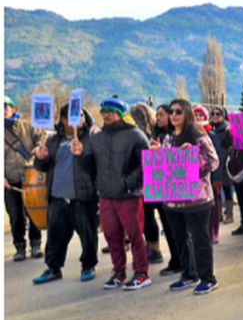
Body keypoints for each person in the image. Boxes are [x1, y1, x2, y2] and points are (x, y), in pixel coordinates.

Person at [151, 99, 220, 295]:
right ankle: (189, 274)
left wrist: (194, 159)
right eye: (171, 111)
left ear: (186, 113)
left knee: (200, 239)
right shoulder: (169, 138)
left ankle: (208, 278)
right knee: (180, 238)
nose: (173, 115)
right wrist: (157, 154)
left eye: (178, 111)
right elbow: (166, 165)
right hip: (173, 199)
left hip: (197, 199)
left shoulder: (198, 135)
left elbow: (214, 162)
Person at [88, 98, 151, 290]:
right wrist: (79, 155)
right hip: (106, 195)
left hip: (129, 195)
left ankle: (141, 272)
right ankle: (119, 271)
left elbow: (144, 163)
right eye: (103, 111)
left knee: (135, 235)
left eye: (110, 111)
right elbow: (90, 166)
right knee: (111, 235)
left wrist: (127, 182)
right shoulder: (97, 137)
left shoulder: (136, 135)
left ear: (121, 113)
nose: (105, 114)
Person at [31, 104, 99, 283]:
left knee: (88, 234)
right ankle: (53, 268)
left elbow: (95, 165)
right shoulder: (53, 140)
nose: (80, 119)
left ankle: (88, 266)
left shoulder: (92, 136)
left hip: (82, 197)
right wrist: (41, 159)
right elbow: (44, 167)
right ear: (64, 120)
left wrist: (82, 153)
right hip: (57, 197)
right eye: (75, 116)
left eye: (82, 115)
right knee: (55, 236)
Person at [4, 95, 46, 261]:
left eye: (6, 107)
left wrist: (37, 147)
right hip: (10, 179)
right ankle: (19, 247)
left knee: (33, 210)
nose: (3, 110)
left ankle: (36, 244)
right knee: (15, 215)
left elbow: (40, 138)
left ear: (13, 109)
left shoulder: (28, 126)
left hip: (30, 177)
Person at [129, 102, 165, 265]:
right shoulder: (157, 132)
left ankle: (153, 247)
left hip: (144, 181)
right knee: (159, 216)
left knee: (148, 216)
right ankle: (157, 248)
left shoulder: (134, 135)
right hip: (157, 179)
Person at [152, 104, 183, 276]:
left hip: (177, 190)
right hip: (163, 190)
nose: (159, 118)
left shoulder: (176, 135)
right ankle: (175, 259)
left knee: (177, 229)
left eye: (162, 114)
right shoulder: (157, 135)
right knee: (168, 226)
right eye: (157, 115)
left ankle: (182, 261)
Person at [193, 105, 224, 244]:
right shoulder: (190, 134)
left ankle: (213, 233)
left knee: (212, 208)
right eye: (196, 115)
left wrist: (217, 177)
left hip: (210, 177)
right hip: (195, 178)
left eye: (201, 115)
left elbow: (217, 156)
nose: (198, 118)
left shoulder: (210, 134)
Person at [210, 105, 235, 224]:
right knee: (216, 188)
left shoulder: (226, 128)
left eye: (218, 114)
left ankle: (229, 213)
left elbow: (229, 144)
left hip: (224, 160)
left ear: (223, 116)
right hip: (215, 161)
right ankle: (218, 213)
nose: (215, 116)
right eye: (213, 114)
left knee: (226, 186)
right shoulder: (211, 128)